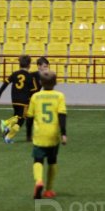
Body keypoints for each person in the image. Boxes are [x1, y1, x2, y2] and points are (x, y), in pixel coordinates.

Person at [26, 70, 67, 199]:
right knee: (52, 161)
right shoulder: (59, 96)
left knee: (38, 160)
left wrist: (28, 134)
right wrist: (64, 134)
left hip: (39, 134)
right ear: (55, 82)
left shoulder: (35, 96)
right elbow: (62, 115)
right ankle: (48, 190)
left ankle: (38, 181)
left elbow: (30, 117)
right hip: (53, 134)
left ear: (40, 82)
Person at [0, 55, 36, 144]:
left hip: (14, 100)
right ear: (29, 65)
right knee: (21, 120)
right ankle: (7, 129)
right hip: (24, 101)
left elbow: (5, 83)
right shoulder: (30, 76)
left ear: (20, 64)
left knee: (17, 116)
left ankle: (8, 129)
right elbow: (33, 91)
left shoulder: (15, 74)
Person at [26, 57, 50, 142]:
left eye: (47, 66)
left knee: (41, 117)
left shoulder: (46, 76)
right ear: (39, 66)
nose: (46, 68)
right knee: (28, 118)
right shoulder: (31, 75)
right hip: (29, 99)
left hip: (37, 99)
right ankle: (28, 136)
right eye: (45, 66)